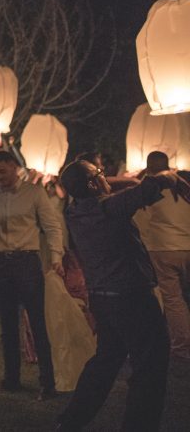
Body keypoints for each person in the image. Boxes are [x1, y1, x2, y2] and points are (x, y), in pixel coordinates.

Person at [55, 161, 187, 431]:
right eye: (99, 175)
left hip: (103, 300)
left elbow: (116, 188)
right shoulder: (110, 208)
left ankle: (69, 422)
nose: (106, 178)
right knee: (150, 367)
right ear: (92, 184)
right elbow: (151, 186)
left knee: (104, 363)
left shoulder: (74, 211)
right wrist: (171, 175)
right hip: (132, 298)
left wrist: (100, 179)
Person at [0, 151, 64, 400]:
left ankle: (48, 382)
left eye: (3, 171)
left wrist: (56, 256)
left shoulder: (33, 192)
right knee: (7, 325)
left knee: (37, 322)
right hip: (0, 262)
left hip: (26, 261)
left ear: (15, 167)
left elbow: (51, 225)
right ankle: (11, 380)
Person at [132, 151, 190, 361]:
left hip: (163, 248)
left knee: (173, 300)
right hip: (187, 244)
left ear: (148, 168)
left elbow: (140, 222)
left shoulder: (150, 189)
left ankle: (182, 348)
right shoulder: (183, 184)